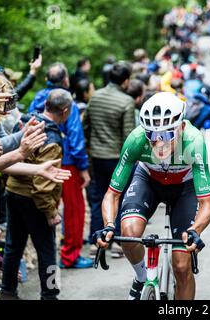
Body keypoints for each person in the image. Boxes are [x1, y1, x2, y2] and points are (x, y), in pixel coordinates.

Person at [94, 92, 210, 300]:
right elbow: (112, 194)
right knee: (129, 231)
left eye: (167, 135)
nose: (159, 143)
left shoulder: (194, 141)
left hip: (184, 188)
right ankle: (142, 278)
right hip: (149, 180)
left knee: (181, 264)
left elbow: (207, 204)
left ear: (182, 128)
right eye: (152, 134)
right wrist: (108, 225)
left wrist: (195, 230)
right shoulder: (136, 139)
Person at [1, 89, 73, 300]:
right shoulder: (50, 136)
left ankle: (7, 292)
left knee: (13, 246)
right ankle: (50, 295)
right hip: (35, 200)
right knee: (47, 251)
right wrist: (51, 212)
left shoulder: (25, 123)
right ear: (65, 111)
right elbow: (42, 183)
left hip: (12, 191)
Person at [28, 62, 91, 269]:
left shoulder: (38, 99)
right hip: (66, 162)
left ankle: (45, 253)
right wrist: (83, 168)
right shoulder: (66, 102)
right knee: (74, 209)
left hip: (37, 162)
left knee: (46, 206)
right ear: (65, 80)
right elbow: (75, 136)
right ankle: (69, 256)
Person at [83, 61, 134, 258]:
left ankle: (96, 241)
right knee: (119, 197)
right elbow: (129, 136)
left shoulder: (95, 97)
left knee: (98, 197)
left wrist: (91, 145)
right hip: (117, 158)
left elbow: (86, 125)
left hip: (97, 156)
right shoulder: (126, 101)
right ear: (126, 80)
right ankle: (118, 242)